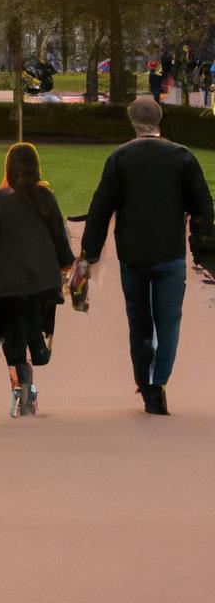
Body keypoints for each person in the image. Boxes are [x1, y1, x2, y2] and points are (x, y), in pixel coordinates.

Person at [81, 97, 213, 415]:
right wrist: (204, 249)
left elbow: (100, 209)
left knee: (139, 322)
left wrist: (89, 254)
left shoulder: (120, 158)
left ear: (132, 121)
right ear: (160, 118)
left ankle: (145, 383)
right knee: (168, 322)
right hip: (170, 253)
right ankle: (158, 380)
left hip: (133, 254)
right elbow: (203, 208)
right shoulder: (182, 156)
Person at [0, 143, 75, 417]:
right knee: (37, 327)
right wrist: (64, 264)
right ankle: (40, 346)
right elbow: (60, 238)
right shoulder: (46, 197)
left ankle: (23, 390)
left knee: (12, 347)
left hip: (7, 287)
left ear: (8, 169)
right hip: (43, 284)